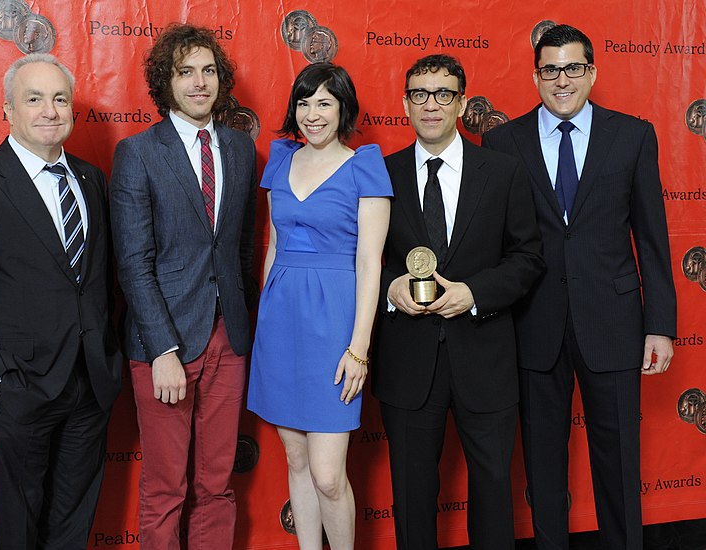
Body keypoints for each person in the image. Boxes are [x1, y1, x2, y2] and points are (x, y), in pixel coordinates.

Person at [482, 24, 677, 550]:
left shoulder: (632, 136)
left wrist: (659, 324)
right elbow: (497, 243)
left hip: (612, 322)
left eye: (572, 68)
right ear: (535, 76)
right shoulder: (503, 142)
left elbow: (652, 238)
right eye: (550, 69)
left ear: (591, 72)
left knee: (617, 464)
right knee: (542, 468)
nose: (561, 79)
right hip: (533, 324)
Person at [0, 53, 122, 549]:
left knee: (72, 527)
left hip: (89, 383)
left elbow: (101, 280)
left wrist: (108, 358)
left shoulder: (90, 179)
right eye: (33, 99)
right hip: (19, 386)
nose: (49, 110)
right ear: (8, 111)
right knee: (18, 529)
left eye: (59, 99)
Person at [371, 54, 544, 550]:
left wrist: (475, 294)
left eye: (443, 94)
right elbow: (364, 259)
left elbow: (527, 257)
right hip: (408, 360)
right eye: (420, 94)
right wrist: (391, 286)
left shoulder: (504, 171)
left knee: (493, 492)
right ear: (405, 103)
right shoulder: (381, 174)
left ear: (462, 103)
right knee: (411, 495)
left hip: (484, 354)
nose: (432, 104)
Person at [109, 23, 257, 550]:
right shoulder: (138, 152)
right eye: (185, 72)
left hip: (229, 340)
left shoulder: (241, 150)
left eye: (208, 71)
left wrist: (243, 332)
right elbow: (133, 263)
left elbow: (240, 251)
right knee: (165, 487)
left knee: (217, 486)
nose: (199, 83)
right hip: (165, 342)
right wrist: (162, 351)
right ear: (164, 83)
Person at [247, 63, 391, 550]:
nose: (312, 114)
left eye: (324, 103)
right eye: (304, 102)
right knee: (297, 460)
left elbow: (370, 264)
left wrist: (359, 347)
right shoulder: (280, 159)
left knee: (330, 475)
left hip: (334, 327)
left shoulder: (365, 165)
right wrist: (264, 319)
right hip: (280, 321)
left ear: (343, 108)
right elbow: (272, 246)